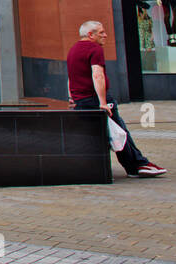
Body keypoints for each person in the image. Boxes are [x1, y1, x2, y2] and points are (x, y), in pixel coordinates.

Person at [66, 21, 165, 177]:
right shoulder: (94, 49)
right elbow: (97, 75)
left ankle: (136, 165)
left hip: (81, 100)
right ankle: (138, 165)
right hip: (94, 99)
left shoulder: (73, 50)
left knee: (114, 132)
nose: (105, 35)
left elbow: (71, 76)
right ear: (90, 34)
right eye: (101, 32)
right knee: (120, 132)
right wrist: (103, 103)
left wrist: (72, 97)